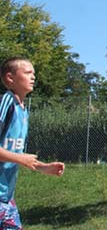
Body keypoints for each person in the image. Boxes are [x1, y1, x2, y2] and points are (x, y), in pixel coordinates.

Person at [0, 57, 65, 229]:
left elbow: (16, 153)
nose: (33, 77)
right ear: (10, 78)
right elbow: (18, 157)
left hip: (6, 197)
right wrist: (21, 160)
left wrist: (43, 167)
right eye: (28, 72)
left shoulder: (23, 111)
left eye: (34, 73)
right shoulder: (6, 103)